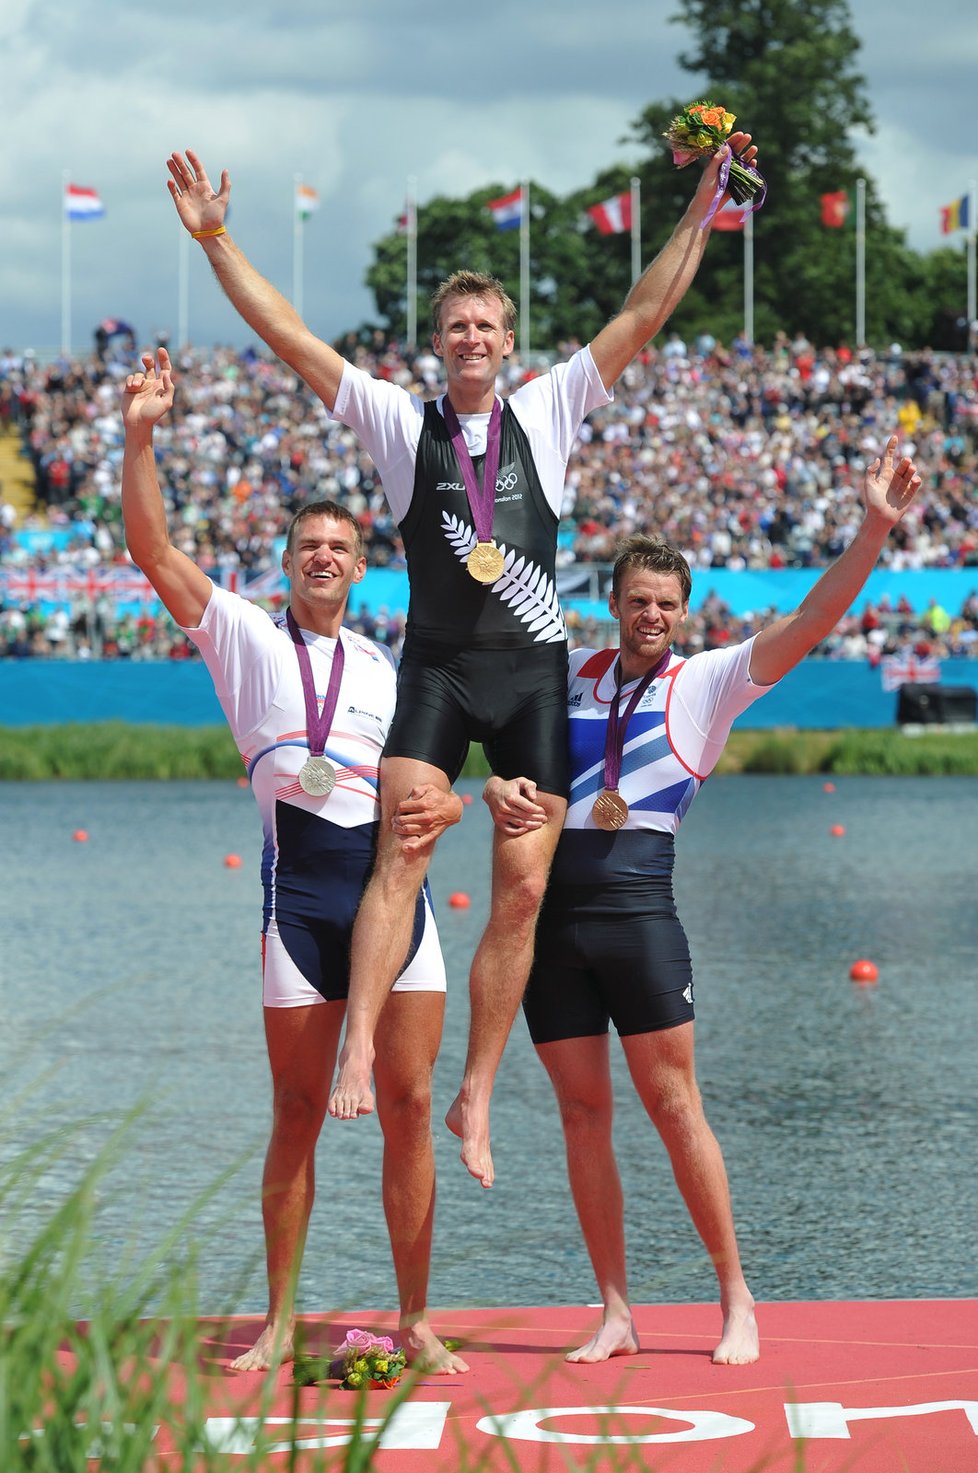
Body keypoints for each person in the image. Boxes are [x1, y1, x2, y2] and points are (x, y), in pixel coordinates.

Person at [163, 133, 759, 1190]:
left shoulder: (549, 408)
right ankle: (356, 1043)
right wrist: (216, 242)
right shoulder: (401, 422)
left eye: (487, 324)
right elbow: (294, 340)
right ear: (436, 344)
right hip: (438, 667)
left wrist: (706, 207)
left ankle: (476, 1096)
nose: (472, 336)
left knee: (523, 893)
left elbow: (645, 312)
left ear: (509, 338)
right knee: (403, 847)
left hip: (530, 672)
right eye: (455, 327)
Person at [483, 436, 922, 1365]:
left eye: (666, 604)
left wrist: (874, 527)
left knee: (675, 1105)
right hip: (553, 924)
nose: (651, 614)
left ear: (685, 615)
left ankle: (736, 1296)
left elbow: (811, 618)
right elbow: (504, 755)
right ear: (613, 604)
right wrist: (495, 786)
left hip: (641, 917)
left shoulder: (708, 682)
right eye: (637, 600)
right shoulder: (566, 676)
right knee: (580, 1117)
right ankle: (614, 1310)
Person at [120, 347, 468, 1376]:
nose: (323, 557)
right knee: (295, 1119)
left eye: (339, 547)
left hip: (396, 912)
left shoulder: (386, 665)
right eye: (308, 545)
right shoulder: (240, 638)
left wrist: (447, 802)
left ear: (361, 568)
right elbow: (151, 547)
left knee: (409, 1111)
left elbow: (431, 784)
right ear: (286, 563)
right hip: (301, 911)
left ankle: (413, 1319)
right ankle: (278, 1321)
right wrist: (141, 435)